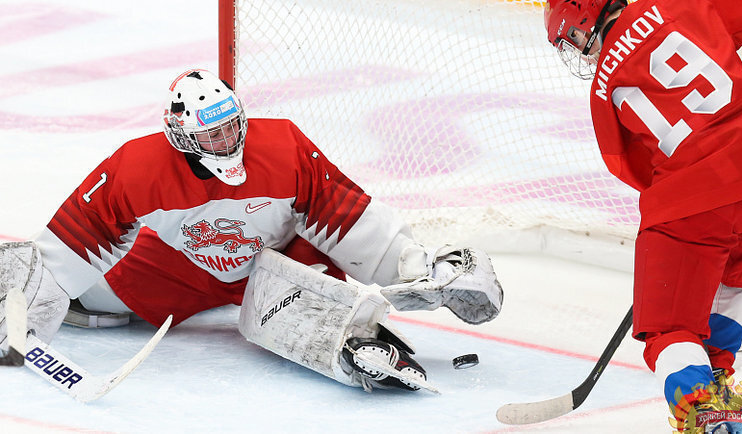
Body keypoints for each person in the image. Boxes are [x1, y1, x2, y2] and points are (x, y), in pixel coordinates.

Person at [0, 69, 503, 393]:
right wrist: (26, 300)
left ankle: (352, 343)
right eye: (210, 134)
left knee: (301, 309)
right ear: (180, 136)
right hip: (180, 266)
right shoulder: (138, 167)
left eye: (230, 127)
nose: (225, 142)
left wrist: (422, 272)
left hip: (280, 259)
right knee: (76, 295)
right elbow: (78, 236)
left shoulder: (283, 147)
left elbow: (347, 219)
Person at [544, 0, 742, 431]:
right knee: (733, 276)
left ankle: (705, 411)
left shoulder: (601, 90)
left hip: (695, 197)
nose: (576, 48)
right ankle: (718, 380)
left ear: (582, 21)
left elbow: (633, 169)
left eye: (570, 37)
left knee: (669, 329)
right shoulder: (678, 6)